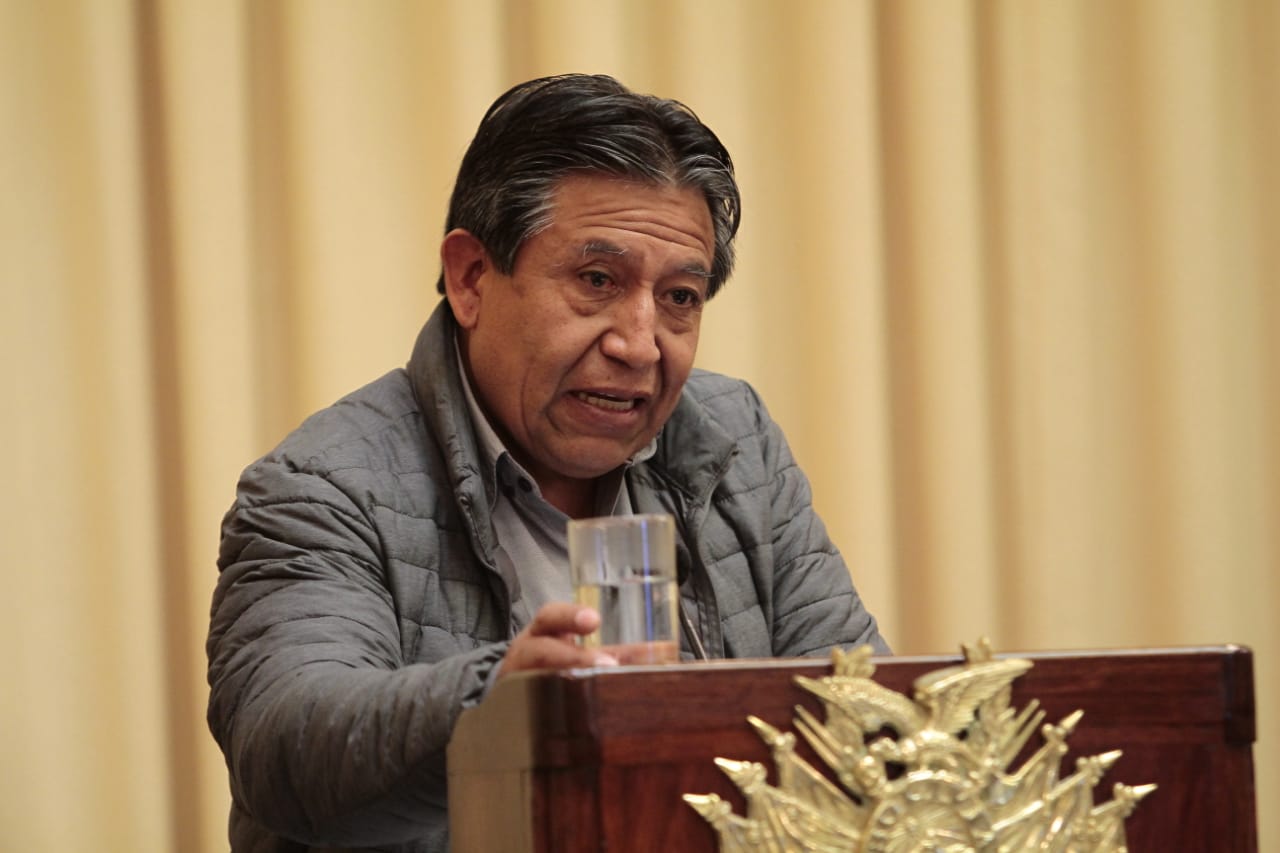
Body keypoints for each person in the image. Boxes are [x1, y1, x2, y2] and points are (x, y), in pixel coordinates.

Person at [206, 73, 888, 853]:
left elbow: (859, 711)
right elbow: (285, 745)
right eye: (597, 281)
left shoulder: (734, 437)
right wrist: (497, 707)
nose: (638, 344)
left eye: (679, 297)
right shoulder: (325, 484)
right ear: (470, 277)